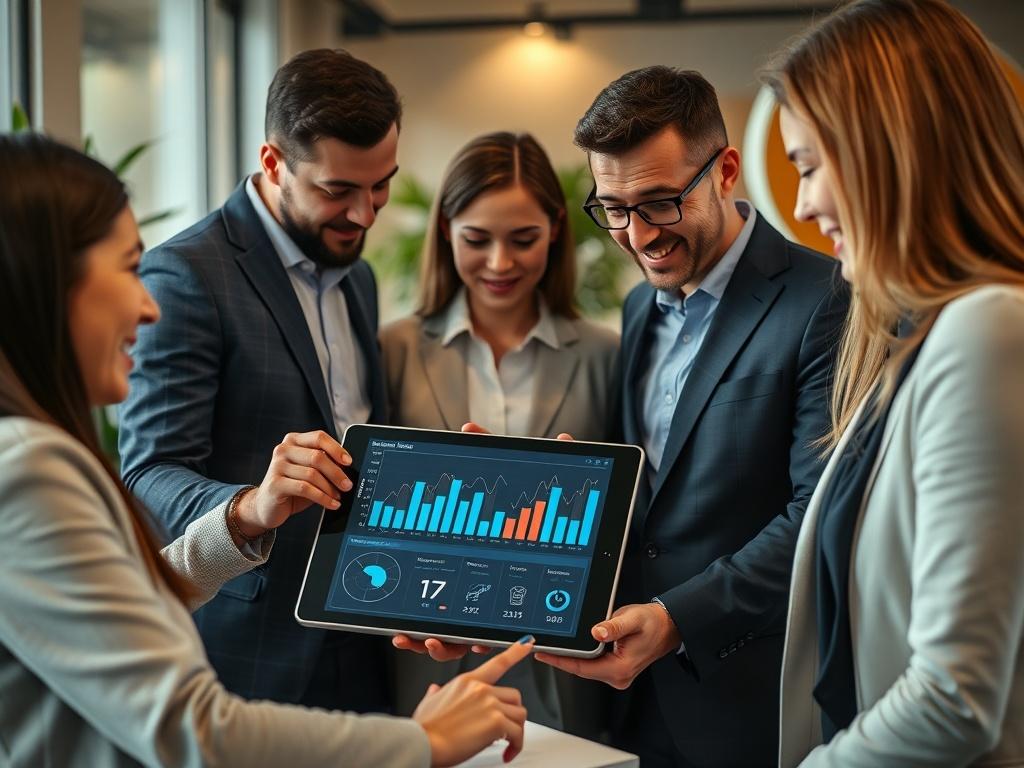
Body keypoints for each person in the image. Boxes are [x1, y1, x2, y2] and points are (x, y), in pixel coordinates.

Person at [0, 132, 534, 767]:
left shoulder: (33, 453)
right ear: (47, 282)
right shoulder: (28, 468)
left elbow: (126, 610)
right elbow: (198, 730)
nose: (147, 306)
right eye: (127, 268)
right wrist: (428, 741)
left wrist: (252, 516)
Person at [528, 67, 849, 766]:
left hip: (753, 700)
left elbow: (819, 515)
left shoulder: (824, 300)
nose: (638, 236)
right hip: (634, 701)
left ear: (726, 170)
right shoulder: (640, 306)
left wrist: (678, 621)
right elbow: (652, 500)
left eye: (661, 202)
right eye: (612, 208)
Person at [764, 1, 1024, 765]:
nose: (805, 205)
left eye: (810, 165)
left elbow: (953, 697)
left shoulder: (987, 330)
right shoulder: (918, 340)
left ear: (889, 148)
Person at [118, 49, 400, 711]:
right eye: (338, 191)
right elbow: (148, 475)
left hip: (362, 623)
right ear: (273, 162)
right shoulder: (186, 275)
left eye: (382, 184)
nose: (365, 215)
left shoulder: (358, 275)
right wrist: (252, 505)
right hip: (250, 644)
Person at [381, 131, 618, 734]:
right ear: (444, 231)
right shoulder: (393, 351)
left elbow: (637, 515)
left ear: (557, 230)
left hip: (568, 665)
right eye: (476, 240)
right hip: (433, 667)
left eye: (523, 239)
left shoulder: (605, 355)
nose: (499, 263)